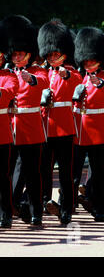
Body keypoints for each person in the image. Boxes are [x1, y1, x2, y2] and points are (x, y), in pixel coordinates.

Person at [4, 15, 49, 226]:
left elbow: (44, 82)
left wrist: (30, 79)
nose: (16, 57)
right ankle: (10, 207)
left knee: (32, 173)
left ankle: (35, 211)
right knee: (9, 172)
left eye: (20, 54)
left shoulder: (37, 71)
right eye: (14, 54)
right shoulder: (7, 73)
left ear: (29, 54)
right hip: (10, 127)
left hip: (30, 128)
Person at [37, 19, 82, 225]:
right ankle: (45, 201)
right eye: (50, 54)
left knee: (65, 172)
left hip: (64, 128)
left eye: (56, 54)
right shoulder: (42, 72)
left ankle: (66, 208)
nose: (53, 57)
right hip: (45, 128)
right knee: (44, 170)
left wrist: (65, 74)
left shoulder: (71, 72)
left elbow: (77, 83)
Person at [72, 27, 104, 222]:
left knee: (98, 172)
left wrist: (97, 83)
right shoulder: (77, 76)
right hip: (77, 129)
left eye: (92, 60)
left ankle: (101, 208)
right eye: (86, 60)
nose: (88, 64)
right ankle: (69, 204)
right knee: (72, 171)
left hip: (97, 130)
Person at [0, 21, 19, 228]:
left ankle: (5, 214)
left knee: (3, 176)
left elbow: (9, 93)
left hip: (2, 133)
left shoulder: (8, 77)